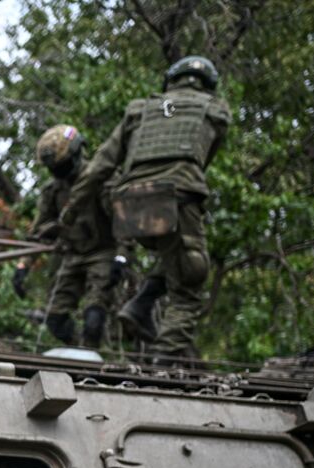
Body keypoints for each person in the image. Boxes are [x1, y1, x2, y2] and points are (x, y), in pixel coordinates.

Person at [62, 55, 230, 361]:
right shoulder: (216, 111)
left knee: (174, 256)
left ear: (171, 79)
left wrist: (73, 207)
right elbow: (203, 160)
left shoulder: (139, 110)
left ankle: (141, 304)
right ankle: (162, 360)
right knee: (188, 290)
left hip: (131, 209)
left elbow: (101, 165)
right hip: (177, 201)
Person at [14, 124, 124, 347]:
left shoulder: (102, 181)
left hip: (102, 253)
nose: (58, 173)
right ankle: (78, 351)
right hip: (72, 256)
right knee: (55, 319)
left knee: (94, 318)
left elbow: (122, 222)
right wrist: (22, 266)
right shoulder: (53, 191)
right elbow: (37, 232)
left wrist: (121, 257)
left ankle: (91, 358)